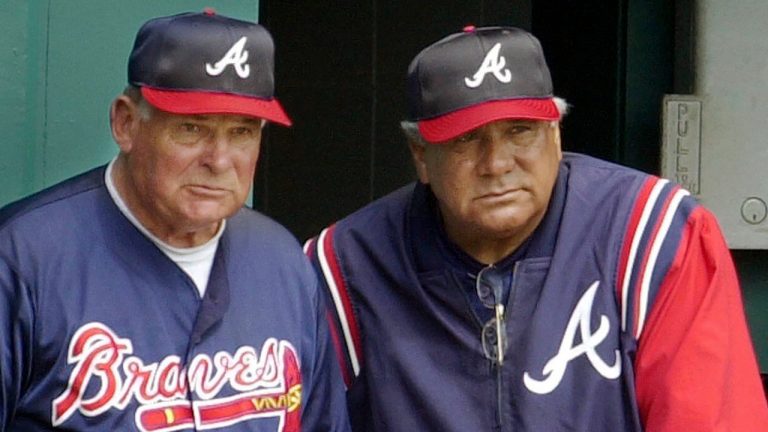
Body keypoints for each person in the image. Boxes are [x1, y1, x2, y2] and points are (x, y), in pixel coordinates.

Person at [304, 26, 768, 431]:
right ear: (421, 156)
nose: (497, 163)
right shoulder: (345, 266)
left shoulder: (654, 235)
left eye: (520, 131)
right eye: (466, 139)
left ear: (556, 134)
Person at [0, 10, 350, 431]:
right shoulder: (22, 259)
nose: (219, 160)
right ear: (126, 123)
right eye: (191, 128)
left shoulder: (283, 263)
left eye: (242, 132)